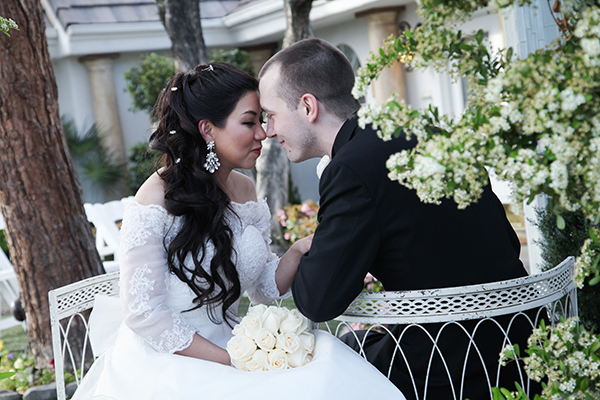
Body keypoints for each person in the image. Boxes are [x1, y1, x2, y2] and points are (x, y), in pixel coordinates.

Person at [71, 62, 405, 400]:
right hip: (171, 362)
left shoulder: (245, 190)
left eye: (262, 120)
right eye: (249, 122)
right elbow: (143, 314)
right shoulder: (156, 197)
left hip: (236, 347)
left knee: (333, 368)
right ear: (208, 129)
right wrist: (230, 360)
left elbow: (262, 287)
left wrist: (300, 249)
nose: (263, 133)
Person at [258, 38, 539, 400]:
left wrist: (303, 249)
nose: (267, 130)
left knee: (325, 361)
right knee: (358, 343)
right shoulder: (428, 131)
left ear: (308, 106)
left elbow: (317, 299)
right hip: (523, 343)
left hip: (449, 366)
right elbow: (502, 241)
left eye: (271, 114)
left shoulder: (351, 169)